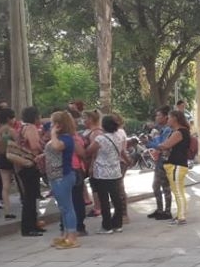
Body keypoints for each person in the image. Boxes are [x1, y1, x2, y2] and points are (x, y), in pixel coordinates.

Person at [44, 110, 81, 249]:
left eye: (53, 123)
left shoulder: (66, 139)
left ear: (59, 125)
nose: (51, 125)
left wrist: (53, 133)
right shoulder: (61, 138)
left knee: (67, 207)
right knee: (63, 207)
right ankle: (66, 233)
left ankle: (72, 236)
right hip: (55, 176)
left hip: (63, 176)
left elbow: (57, 147)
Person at [86, 114, 125, 234]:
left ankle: (107, 226)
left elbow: (89, 151)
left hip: (102, 173)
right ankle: (118, 224)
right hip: (115, 171)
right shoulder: (119, 137)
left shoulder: (100, 139)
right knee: (116, 199)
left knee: (104, 200)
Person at [156, 110, 191, 225]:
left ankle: (181, 217)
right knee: (178, 191)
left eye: (169, 118)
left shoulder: (179, 132)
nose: (168, 120)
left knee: (178, 192)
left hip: (177, 165)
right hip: (177, 164)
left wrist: (157, 145)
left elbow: (166, 145)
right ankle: (180, 215)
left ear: (175, 118)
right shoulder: (179, 131)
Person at [15, 107, 45, 237]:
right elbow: (34, 145)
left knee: (30, 197)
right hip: (30, 164)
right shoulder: (31, 128)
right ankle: (29, 227)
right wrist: (43, 147)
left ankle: (33, 224)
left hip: (24, 165)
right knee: (30, 197)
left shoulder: (22, 127)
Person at [146, 106, 172, 220]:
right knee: (156, 185)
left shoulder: (168, 130)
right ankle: (160, 209)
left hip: (165, 160)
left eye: (159, 115)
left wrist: (149, 143)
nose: (156, 117)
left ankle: (167, 211)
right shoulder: (162, 129)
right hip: (160, 160)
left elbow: (162, 145)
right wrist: (149, 142)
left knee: (165, 186)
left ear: (166, 117)